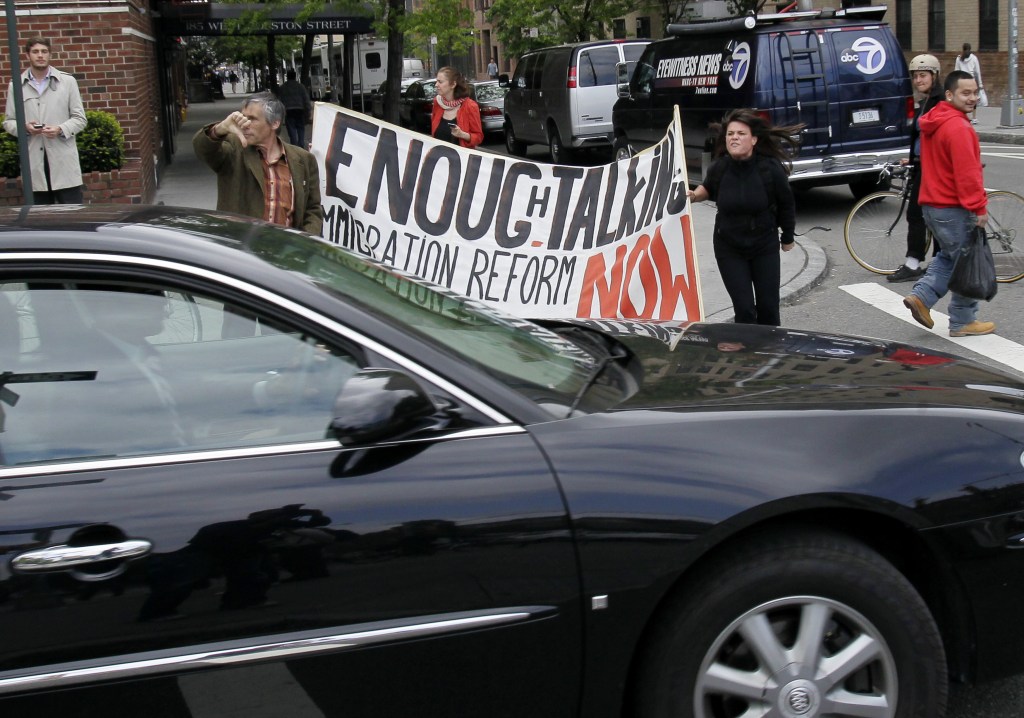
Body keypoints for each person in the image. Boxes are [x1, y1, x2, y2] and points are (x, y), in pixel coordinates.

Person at [686, 108, 801, 326]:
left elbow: (787, 203)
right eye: (730, 134)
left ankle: (769, 354)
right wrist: (692, 196)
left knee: (768, 308)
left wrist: (787, 237)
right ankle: (748, 357)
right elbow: (707, 189)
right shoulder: (720, 167)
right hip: (729, 246)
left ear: (754, 140)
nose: (734, 138)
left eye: (741, 133)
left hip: (763, 245)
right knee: (744, 309)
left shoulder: (770, 169)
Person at [903, 70, 994, 337]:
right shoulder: (958, 127)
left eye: (975, 92)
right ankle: (962, 320)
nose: (973, 98)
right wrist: (978, 207)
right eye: (966, 93)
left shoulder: (935, 120)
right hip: (953, 206)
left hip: (932, 204)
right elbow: (967, 175)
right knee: (965, 261)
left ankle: (921, 297)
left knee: (949, 256)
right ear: (950, 94)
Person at [193, 91, 323, 235]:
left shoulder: (303, 160)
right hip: (241, 250)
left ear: (275, 123)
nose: (244, 124)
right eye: (243, 118)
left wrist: (305, 244)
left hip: (286, 250)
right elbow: (202, 149)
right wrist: (220, 129)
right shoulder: (234, 148)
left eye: (252, 119)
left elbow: (312, 210)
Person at [2, 36, 87, 204]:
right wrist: (25, 127)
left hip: (64, 163)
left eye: (44, 51)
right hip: (34, 164)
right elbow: (9, 121)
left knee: (73, 216)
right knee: (40, 221)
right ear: (28, 55)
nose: (40, 55)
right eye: (35, 52)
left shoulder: (67, 82)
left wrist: (60, 129)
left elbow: (80, 119)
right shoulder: (16, 85)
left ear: (49, 54)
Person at [888, 54, 944, 283]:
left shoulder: (939, 102)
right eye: (916, 76)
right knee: (933, 216)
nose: (918, 80)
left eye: (923, 75)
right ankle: (941, 262)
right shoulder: (926, 101)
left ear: (934, 75)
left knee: (917, 214)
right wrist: (911, 160)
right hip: (923, 164)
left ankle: (913, 264)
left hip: (933, 168)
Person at [430, 67, 483, 149]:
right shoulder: (437, 102)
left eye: (440, 82)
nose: (436, 85)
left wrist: (462, 134)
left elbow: (478, 137)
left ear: (453, 84)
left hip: (461, 159)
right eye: (436, 81)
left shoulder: (470, 106)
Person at [277, 69, 313, 148]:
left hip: (288, 110)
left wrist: (280, 115)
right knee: (301, 128)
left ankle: (294, 145)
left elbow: (279, 101)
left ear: (288, 77)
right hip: (300, 110)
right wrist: (308, 111)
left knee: (291, 128)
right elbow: (306, 99)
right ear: (295, 76)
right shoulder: (300, 86)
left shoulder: (283, 87)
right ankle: (301, 144)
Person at [954, 43, 983, 124]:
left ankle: (963, 116)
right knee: (973, 98)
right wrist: (980, 84)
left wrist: (956, 82)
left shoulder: (959, 58)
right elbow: (977, 72)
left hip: (962, 81)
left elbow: (956, 71)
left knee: (963, 98)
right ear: (970, 49)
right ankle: (974, 118)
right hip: (971, 80)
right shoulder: (974, 58)